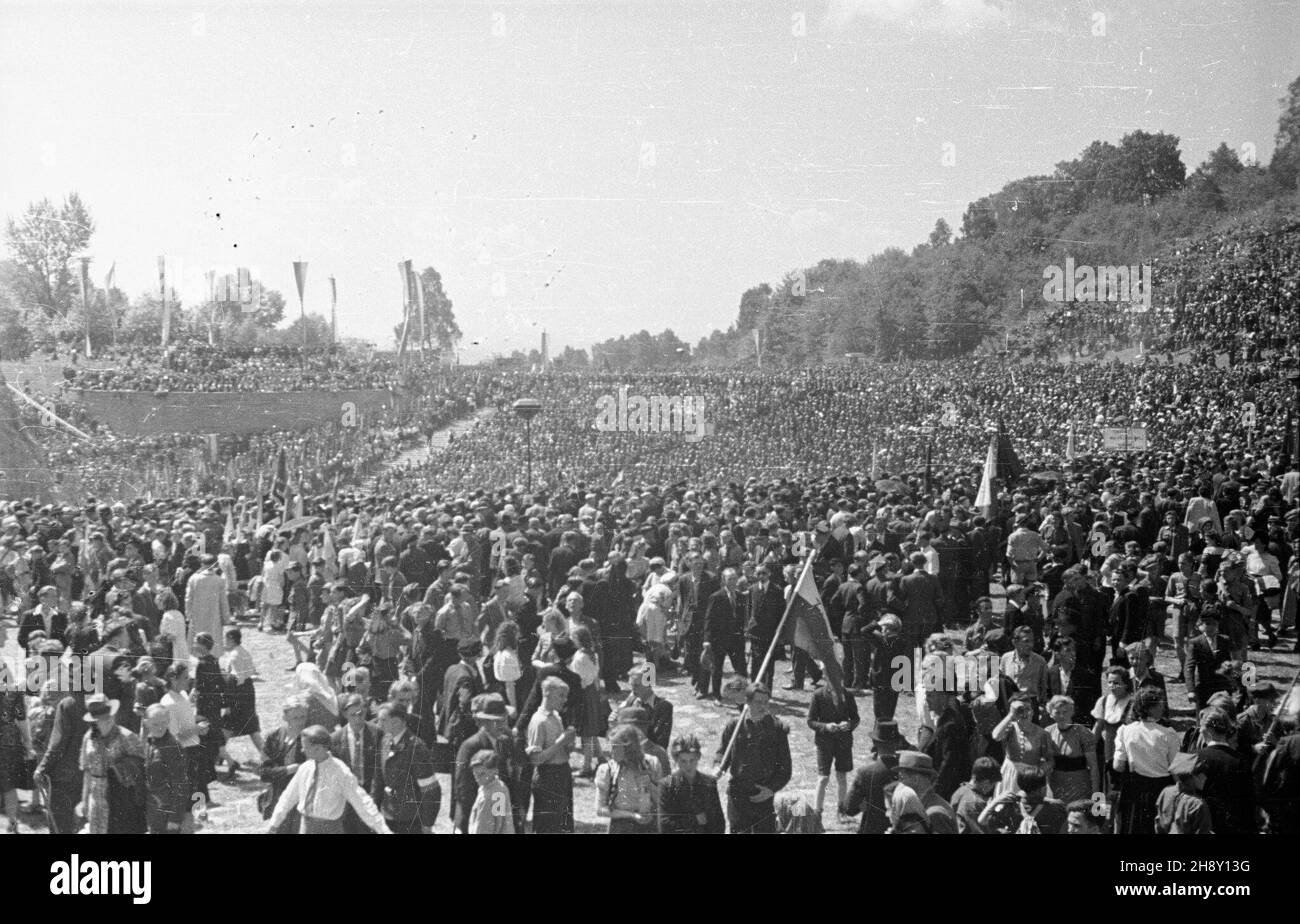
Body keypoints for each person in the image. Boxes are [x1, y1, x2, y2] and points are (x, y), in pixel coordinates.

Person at [267, 724, 391, 834]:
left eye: (305, 746)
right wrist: (274, 824)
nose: (302, 750)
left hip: (330, 829)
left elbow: (362, 802)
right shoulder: (304, 768)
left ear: (319, 747)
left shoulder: (340, 771)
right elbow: (288, 798)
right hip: (305, 827)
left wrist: (383, 830)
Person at [717, 682, 791, 834]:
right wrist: (717, 768)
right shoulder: (734, 726)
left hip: (764, 794)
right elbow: (722, 754)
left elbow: (785, 769)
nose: (763, 706)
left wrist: (771, 789)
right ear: (747, 702)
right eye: (758, 702)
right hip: (738, 794)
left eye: (766, 702)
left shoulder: (777, 728)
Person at [1112, 687, 1180, 835]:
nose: (1163, 707)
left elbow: (1118, 766)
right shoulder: (1168, 734)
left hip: (1134, 789)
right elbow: (1176, 769)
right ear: (1151, 708)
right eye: (1160, 704)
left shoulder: (1125, 731)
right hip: (1162, 789)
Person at [78, 692, 147, 834]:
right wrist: (84, 800)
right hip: (96, 799)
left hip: (121, 799)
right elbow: (86, 770)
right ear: (94, 721)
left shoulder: (126, 737)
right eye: (103, 718)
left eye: (110, 715)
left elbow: (141, 766)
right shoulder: (88, 738)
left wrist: (119, 769)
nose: (109, 719)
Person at [453, 693, 521, 834]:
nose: (502, 725)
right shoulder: (470, 746)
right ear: (483, 721)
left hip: (501, 812)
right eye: (496, 721)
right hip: (479, 816)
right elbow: (463, 788)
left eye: (504, 720)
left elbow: (512, 779)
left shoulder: (506, 742)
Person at [372, 701, 440, 834]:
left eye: (383, 720)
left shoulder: (416, 748)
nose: (378, 724)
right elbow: (379, 779)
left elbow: (430, 790)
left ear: (397, 722)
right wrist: (374, 810)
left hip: (410, 819)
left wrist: (427, 824)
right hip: (388, 814)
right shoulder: (385, 741)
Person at [841, 720, 913, 834]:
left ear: (875, 743)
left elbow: (848, 808)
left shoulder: (865, 773)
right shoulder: (908, 771)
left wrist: (861, 807)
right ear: (898, 742)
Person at [526, 676, 577, 833]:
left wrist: (569, 745)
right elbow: (535, 759)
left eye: (566, 696)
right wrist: (561, 743)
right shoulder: (538, 721)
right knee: (548, 825)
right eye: (560, 695)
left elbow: (559, 749)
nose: (564, 700)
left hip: (562, 773)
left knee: (563, 823)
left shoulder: (556, 716)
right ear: (547, 693)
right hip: (548, 776)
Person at [1194, 707, 1256, 834]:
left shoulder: (1194, 757)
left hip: (1204, 825)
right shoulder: (1241, 761)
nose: (1200, 730)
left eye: (1202, 727)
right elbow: (1248, 801)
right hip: (1233, 826)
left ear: (1209, 730)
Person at [329, 693, 382, 833]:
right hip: (346, 799)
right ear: (345, 714)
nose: (358, 719)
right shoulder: (335, 739)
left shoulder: (377, 734)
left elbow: (380, 769)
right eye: (353, 715)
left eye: (361, 714)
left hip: (370, 796)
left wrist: (374, 796)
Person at [595, 724, 661, 833]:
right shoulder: (607, 770)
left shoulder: (651, 764)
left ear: (628, 748)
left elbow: (662, 801)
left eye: (615, 747)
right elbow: (600, 810)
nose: (610, 751)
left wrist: (649, 784)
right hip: (621, 825)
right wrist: (632, 815)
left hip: (649, 825)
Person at [258, 696, 311, 834]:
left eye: (303, 717)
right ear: (285, 717)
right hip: (278, 795)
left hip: (303, 796)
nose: (300, 721)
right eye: (296, 718)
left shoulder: (312, 737)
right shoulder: (274, 737)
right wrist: (289, 769)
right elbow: (264, 773)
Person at [807, 680, 859, 817]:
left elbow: (856, 718)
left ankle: (841, 809)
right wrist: (825, 727)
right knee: (823, 778)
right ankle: (817, 812)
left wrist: (848, 724)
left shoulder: (848, 695)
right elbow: (811, 721)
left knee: (842, 777)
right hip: (825, 743)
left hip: (843, 742)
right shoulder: (818, 695)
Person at [991, 693, 1055, 798]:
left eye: (1028, 709)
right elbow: (996, 736)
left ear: (1033, 712)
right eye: (1020, 710)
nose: (1024, 713)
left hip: (1031, 776)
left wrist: (1038, 773)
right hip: (1010, 774)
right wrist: (1011, 715)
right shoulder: (1010, 728)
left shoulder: (1042, 734)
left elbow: (1050, 761)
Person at [660, 733, 725, 834]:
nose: (688, 766)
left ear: (698, 757)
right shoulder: (667, 785)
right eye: (683, 761)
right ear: (676, 760)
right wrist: (694, 820)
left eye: (692, 760)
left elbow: (719, 822)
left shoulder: (709, 783)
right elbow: (664, 825)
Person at [219, 627, 265, 768]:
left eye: (226, 639)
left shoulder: (234, 655)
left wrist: (227, 697)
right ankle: (266, 755)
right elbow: (251, 671)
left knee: (226, 725)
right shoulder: (243, 651)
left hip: (238, 694)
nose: (224, 642)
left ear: (232, 639)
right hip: (248, 690)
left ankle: (218, 754)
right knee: (251, 726)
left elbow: (236, 678)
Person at [141, 703, 190, 834]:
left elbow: (181, 783)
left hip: (168, 811)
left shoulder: (173, 746)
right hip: (153, 809)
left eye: (163, 722)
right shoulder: (149, 742)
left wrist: (175, 818)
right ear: (146, 723)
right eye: (155, 724)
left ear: (168, 721)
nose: (160, 727)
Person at [701, 567, 747, 700]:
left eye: (734, 578)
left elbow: (742, 618)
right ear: (724, 580)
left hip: (736, 640)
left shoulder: (741, 597)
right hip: (719, 639)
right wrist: (707, 639)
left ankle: (738, 693)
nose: (733, 581)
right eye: (729, 579)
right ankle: (717, 696)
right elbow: (709, 619)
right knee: (717, 669)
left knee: (741, 669)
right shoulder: (716, 597)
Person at [1043, 695, 1099, 804]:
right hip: (1056, 784)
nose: (1062, 716)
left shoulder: (1083, 732)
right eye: (1057, 713)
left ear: (1071, 712)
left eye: (1065, 712)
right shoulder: (1047, 732)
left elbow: (1093, 766)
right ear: (1051, 714)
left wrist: (1096, 795)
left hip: (1079, 784)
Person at [979, 765, 1067, 834]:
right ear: (1041, 789)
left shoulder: (1011, 807)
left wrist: (996, 801)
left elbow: (982, 820)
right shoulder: (1053, 810)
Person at [895, 750, 957, 833]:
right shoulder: (925, 806)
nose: (899, 784)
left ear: (915, 779)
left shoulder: (934, 814)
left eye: (901, 778)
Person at [1155, 752, 1214, 834]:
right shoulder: (1197, 804)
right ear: (1193, 777)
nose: (1205, 777)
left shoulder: (1166, 792)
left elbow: (1159, 825)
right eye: (1202, 773)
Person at [467, 750, 514, 834]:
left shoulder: (485, 798)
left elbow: (483, 828)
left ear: (495, 770)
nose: (478, 778)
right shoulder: (501, 786)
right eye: (475, 774)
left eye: (482, 774)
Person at [950, 756, 1001, 834]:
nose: (992, 788)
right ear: (986, 783)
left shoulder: (960, 790)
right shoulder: (975, 802)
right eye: (993, 784)